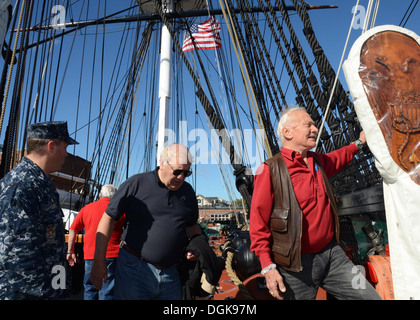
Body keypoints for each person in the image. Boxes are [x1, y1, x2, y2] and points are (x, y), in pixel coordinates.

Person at [249, 107, 381, 300]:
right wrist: (268, 267)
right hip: (295, 266)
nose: (315, 129)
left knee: (369, 298)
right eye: (308, 124)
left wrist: (359, 143)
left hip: (332, 255)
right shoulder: (269, 170)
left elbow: (339, 157)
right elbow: (258, 223)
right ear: (287, 132)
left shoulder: (317, 161)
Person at [90, 143, 201, 300]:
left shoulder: (188, 192)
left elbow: (191, 226)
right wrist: (98, 261)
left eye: (186, 173)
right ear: (162, 163)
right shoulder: (136, 184)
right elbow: (108, 218)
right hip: (134, 270)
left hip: (171, 274)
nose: (181, 177)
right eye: (177, 171)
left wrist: (199, 247)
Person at [0, 121, 78, 300]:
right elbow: (18, 258)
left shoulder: (41, 184)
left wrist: (61, 289)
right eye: (65, 147)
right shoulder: (21, 187)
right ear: (51, 146)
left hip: (49, 289)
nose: (67, 154)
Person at [67, 184, 125, 300]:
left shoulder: (86, 209)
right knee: (108, 290)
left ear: (101, 194)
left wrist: (70, 251)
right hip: (111, 255)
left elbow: (73, 229)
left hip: (90, 255)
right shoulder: (119, 211)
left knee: (90, 287)